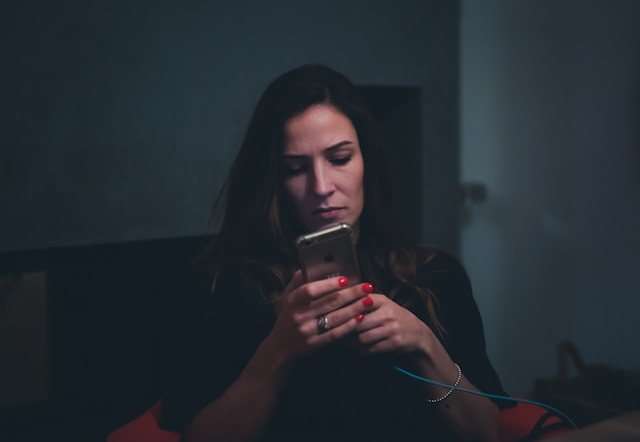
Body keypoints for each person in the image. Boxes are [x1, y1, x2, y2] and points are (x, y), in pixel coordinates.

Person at [161, 64, 509, 442]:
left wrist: (424, 345)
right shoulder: (222, 283)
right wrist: (279, 350)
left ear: (366, 162)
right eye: (295, 169)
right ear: (273, 179)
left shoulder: (436, 275)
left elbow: (485, 433)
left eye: (340, 159)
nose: (322, 186)